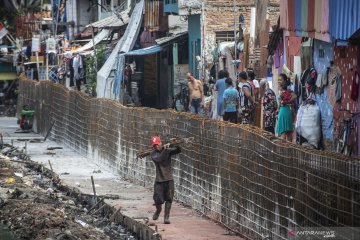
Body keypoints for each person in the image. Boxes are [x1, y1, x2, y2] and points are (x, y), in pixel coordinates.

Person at [150, 136, 181, 224]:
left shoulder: (167, 150)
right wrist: (165, 149)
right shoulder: (153, 154)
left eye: (157, 144)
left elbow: (178, 150)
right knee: (157, 199)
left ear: (161, 143)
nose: (156, 146)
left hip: (169, 179)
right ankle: (158, 210)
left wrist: (176, 144)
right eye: (154, 145)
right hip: (159, 180)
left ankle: (166, 217)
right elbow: (160, 159)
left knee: (169, 199)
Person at [276, 74, 297, 141]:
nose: (279, 81)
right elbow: (279, 103)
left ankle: (284, 150)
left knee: (284, 133)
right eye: (278, 80)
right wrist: (278, 109)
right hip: (282, 111)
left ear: (285, 81)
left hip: (286, 111)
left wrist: (287, 102)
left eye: (280, 80)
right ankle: (289, 149)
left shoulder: (288, 90)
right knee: (287, 133)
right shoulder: (280, 90)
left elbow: (295, 96)